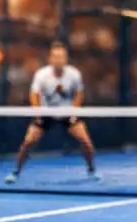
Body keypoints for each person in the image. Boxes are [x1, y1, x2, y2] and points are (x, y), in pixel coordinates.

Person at [7, 42, 97, 183]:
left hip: (67, 113)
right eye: (55, 57)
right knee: (28, 142)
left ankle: (91, 170)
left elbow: (79, 94)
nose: (58, 60)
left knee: (87, 143)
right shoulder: (41, 75)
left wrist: (74, 111)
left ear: (66, 59)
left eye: (61, 57)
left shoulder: (74, 74)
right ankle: (16, 172)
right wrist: (38, 111)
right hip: (46, 113)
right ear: (50, 58)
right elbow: (34, 94)